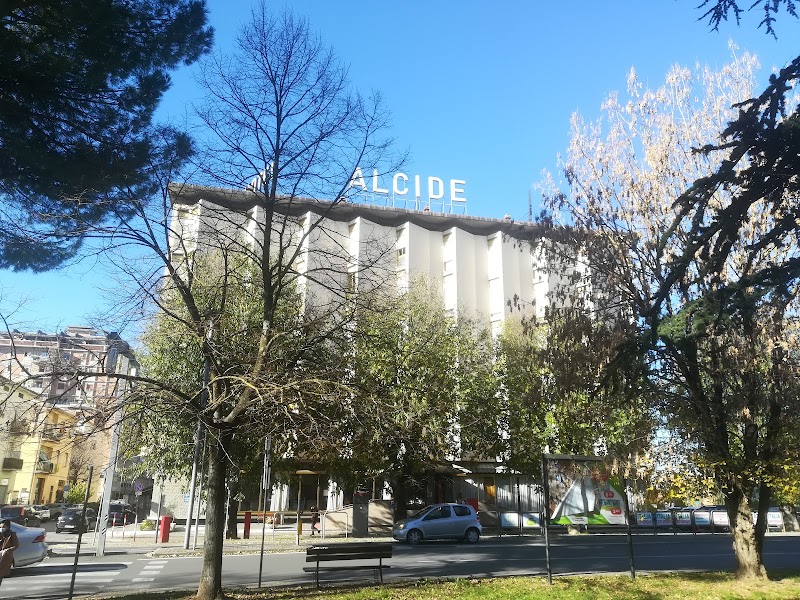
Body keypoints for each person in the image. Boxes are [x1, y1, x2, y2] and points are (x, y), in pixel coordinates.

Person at [0, 519, 19, 586]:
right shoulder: (1, 535)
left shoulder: (12, 535)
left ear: (8, 527)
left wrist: (7, 550)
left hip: (5, 558)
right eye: (0, 527)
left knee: (1, 575)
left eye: (3, 527)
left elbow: (16, 545)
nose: (2, 529)